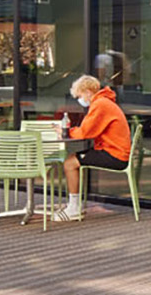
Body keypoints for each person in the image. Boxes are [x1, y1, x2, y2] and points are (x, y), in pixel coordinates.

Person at [52, 74, 130, 222]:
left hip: (114, 154)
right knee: (74, 160)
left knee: (69, 163)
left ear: (88, 92)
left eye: (80, 95)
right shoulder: (105, 102)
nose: (79, 100)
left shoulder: (100, 104)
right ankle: (75, 204)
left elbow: (86, 132)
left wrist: (66, 132)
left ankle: (74, 208)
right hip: (116, 151)